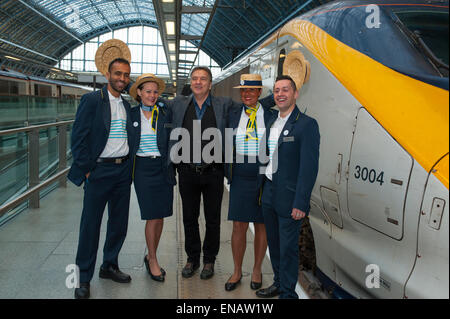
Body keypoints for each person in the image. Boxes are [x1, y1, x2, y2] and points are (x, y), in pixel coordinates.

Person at [68, 57, 134, 299]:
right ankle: (82, 278)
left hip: (122, 171)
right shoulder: (92, 100)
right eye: (118, 74)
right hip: (99, 171)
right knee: (90, 226)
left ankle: (109, 265)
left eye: (126, 75)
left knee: (119, 223)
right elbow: (78, 137)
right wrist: (87, 169)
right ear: (108, 75)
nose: (122, 79)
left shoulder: (127, 106)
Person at [256, 75, 320, 299]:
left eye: (285, 90)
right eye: (276, 91)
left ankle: (288, 294)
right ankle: (278, 283)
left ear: (295, 94)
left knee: (288, 249)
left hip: (289, 198)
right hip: (269, 192)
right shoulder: (273, 120)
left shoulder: (306, 125)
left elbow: (309, 168)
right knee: (273, 245)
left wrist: (301, 202)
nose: (280, 94)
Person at [167, 66, 233, 280]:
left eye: (203, 79)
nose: (198, 82)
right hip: (187, 171)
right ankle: (192, 258)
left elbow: (251, 104)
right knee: (189, 217)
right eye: (194, 78)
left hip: (213, 172)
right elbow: (152, 99)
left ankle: (209, 260)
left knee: (213, 219)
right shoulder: (178, 104)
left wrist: (281, 99)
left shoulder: (223, 105)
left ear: (210, 84)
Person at [224, 74, 276, 291]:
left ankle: (256, 269)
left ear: (259, 93)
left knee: (261, 224)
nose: (247, 94)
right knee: (238, 225)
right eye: (243, 91)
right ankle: (237, 271)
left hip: (263, 174)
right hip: (239, 174)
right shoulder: (234, 114)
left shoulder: (271, 116)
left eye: (252, 91)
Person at [128, 74, 175, 282]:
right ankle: (153, 258)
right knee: (151, 214)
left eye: (156, 92)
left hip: (163, 167)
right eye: (147, 91)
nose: (152, 95)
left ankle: (150, 254)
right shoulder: (131, 115)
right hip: (143, 169)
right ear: (139, 93)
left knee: (161, 214)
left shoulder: (164, 113)